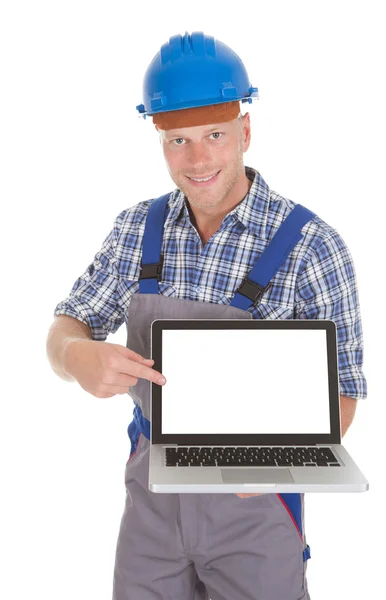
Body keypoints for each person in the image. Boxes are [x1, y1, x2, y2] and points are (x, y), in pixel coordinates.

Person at [46, 31, 367, 600]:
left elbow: (342, 393)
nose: (197, 160)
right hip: (151, 505)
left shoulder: (310, 247)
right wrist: (74, 354)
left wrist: (273, 466)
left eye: (214, 135)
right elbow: (68, 323)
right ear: (158, 139)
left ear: (245, 131)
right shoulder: (134, 231)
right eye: (177, 140)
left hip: (256, 508)